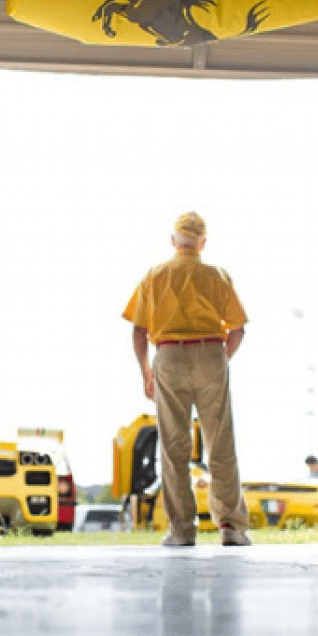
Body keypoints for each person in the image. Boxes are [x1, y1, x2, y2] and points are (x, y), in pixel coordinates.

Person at [123, 212, 251, 547]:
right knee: (220, 444)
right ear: (202, 243)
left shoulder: (155, 276)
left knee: (174, 446)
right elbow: (237, 329)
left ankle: (181, 530)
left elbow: (139, 331)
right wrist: (220, 361)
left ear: (173, 241)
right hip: (211, 354)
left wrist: (146, 372)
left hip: (169, 356)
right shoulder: (217, 276)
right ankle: (231, 528)